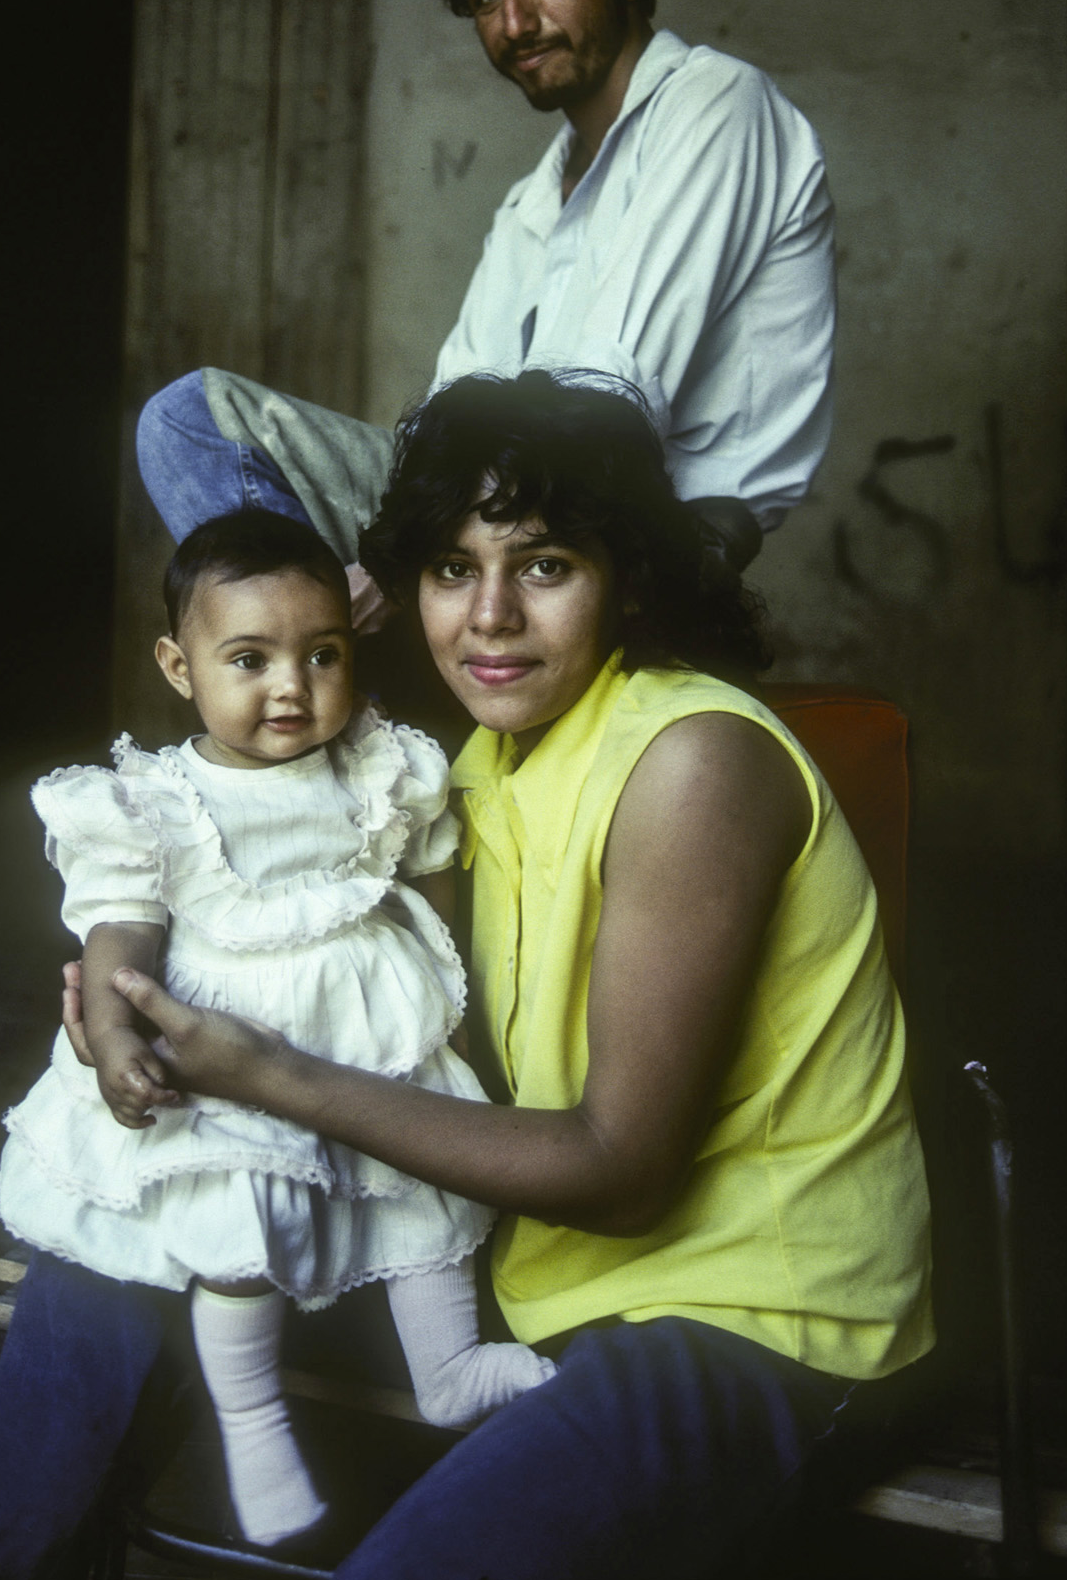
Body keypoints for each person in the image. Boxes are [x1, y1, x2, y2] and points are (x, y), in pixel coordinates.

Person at [97, 371, 933, 1578]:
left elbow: (621, 1171)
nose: (488, 616)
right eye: (451, 568)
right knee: (118, 1252)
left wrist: (268, 1073)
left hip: (761, 1319)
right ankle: (14, 1539)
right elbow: (413, 1025)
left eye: (542, 565)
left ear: (626, 578)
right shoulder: (482, 768)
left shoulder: (691, 758)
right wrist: (132, 997)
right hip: (551, 1280)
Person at [0, 509, 553, 1551]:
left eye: (322, 655)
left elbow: (436, 884)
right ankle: (250, 1417)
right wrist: (113, 1036)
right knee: (239, 1221)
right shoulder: (156, 800)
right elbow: (120, 932)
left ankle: (449, 1371)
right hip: (227, 1045)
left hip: (368, 1034)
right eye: (249, 660)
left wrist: (455, 1011)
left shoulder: (380, 766)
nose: (292, 687)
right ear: (179, 666)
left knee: (425, 1193)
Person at [137, 0, 836, 616]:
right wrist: (405, 537)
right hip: (504, 494)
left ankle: (343, 651)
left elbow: (604, 402)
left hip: (639, 528)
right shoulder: (536, 195)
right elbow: (452, 410)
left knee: (531, 462)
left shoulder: (717, 104)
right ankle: (313, 652)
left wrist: (396, 563)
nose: (515, 23)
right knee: (187, 421)